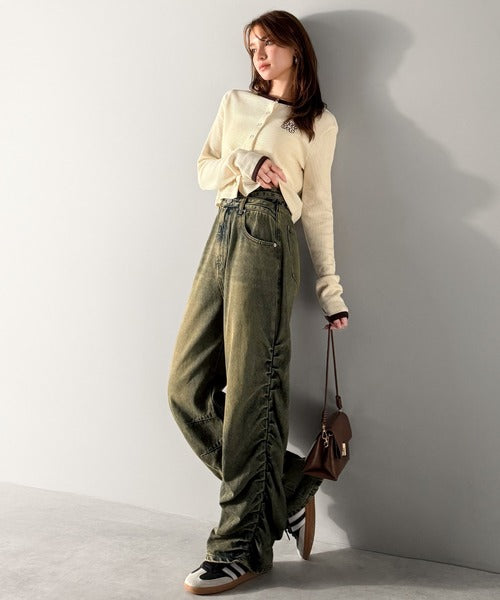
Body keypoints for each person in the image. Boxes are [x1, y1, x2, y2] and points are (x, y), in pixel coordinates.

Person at [167, 9, 349, 595]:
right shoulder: (235, 103)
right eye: (252, 47)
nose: (259, 55)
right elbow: (204, 168)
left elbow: (317, 209)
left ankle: (240, 546)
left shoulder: (317, 123)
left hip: (270, 235)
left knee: (252, 391)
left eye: (268, 43)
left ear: (296, 47)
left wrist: (330, 292)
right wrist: (245, 162)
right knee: (186, 389)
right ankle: (289, 488)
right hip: (223, 229)